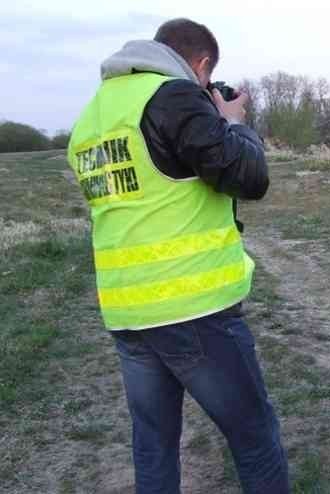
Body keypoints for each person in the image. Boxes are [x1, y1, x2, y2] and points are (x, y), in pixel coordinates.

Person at [66, 18, 289, 494]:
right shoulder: (173, 95)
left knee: (154, 442)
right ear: (201, 65)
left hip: (127, 310)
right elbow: (249, 177)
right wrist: (231, 123)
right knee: (254, 435)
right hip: (193, 306)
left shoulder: (93, 115)